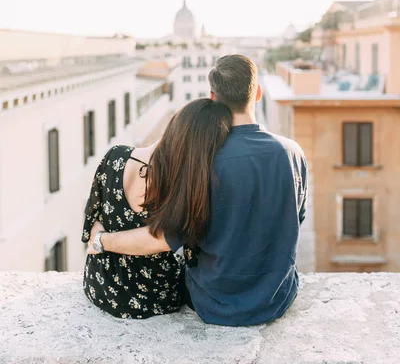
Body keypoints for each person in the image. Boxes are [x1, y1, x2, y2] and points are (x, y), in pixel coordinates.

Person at [88, 54, 307, 326]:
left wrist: (101, 240)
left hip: (213, 304)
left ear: (213, 97)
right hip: (277, 299)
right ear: (258, 93)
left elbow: (166, 237)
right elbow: (295, 219)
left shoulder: (201, 160)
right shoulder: (293, 153)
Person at [82, 98, 232, 319]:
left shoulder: (114, 156)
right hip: (152, 297)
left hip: (99, 285)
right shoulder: (182, 188)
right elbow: (185, 252)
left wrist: (99, 239)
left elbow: (90, 222)